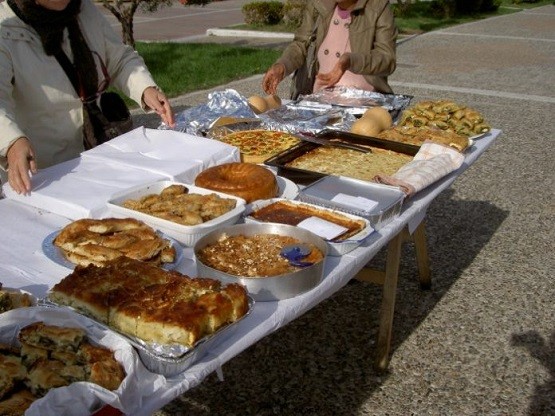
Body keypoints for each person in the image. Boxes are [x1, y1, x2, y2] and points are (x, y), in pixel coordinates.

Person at [0, 0, 175, 195]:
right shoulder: (5, 30)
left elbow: (118, 58)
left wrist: (145, 88)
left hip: (96, 155)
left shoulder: (84, 9)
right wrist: (11, 142)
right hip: (44, 173)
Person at [262, 0, 398, 98]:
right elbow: (301, 44)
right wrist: (282, 66)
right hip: (321, 100)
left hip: (365, 102)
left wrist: (350, 61)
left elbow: (387, 59)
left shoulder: (378, 6)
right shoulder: (317, 5)